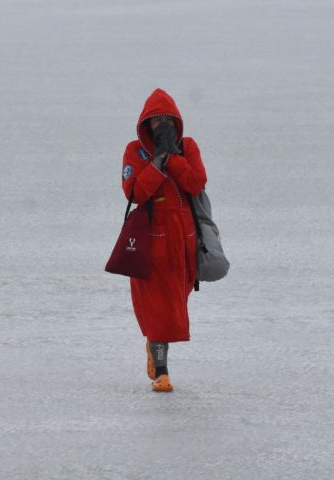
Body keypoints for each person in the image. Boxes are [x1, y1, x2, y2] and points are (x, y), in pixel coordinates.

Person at [121, 88, 207, 392]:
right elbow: (133, 193)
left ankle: (154, 350)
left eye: (167, 120)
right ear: (146, 125)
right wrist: (156, 163)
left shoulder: (188, 148)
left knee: (172, 308)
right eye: (155, 122)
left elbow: (196, 183)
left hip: (182, 247)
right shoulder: (136, 152)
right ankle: (162, 372)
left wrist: (173, 158)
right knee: (159, 313)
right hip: (150, 247)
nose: (162, 126)